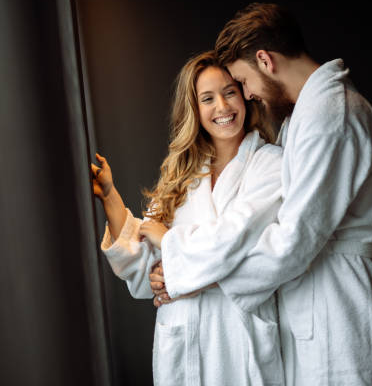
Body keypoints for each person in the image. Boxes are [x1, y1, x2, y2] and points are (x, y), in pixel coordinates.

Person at [149, 3, 372, 385]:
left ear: (264, 60)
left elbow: (294, 239)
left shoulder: (330, 115)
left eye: (241, 82)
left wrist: (200, 276)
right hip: (315, 300)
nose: (247, 95)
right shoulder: (306, 116)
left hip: (341, 304)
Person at [91, 51, 285, 385]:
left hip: (238, 338)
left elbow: (236, 242)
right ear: (194, 110)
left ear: (244, 95)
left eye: (229, 92)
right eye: (207, 99)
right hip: (185, 338)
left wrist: (171, 252)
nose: (222, 108)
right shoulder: (182, 175)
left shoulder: (270, 164)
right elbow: (143, 268)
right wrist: (110, 195)